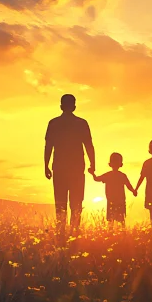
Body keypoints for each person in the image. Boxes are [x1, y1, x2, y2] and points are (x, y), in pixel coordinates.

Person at [44, 94, 95, 237]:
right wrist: (93, 164)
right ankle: (75, 233)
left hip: (59, 168)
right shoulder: (82, 123)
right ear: (74, 106)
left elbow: (48, 146)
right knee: (76, 202)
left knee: (60, 203)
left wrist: (46, 166)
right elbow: (89, 145)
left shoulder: (53, 123)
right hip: (77, 168)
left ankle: (61, 233)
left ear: (61, 106)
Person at [90, 153, 136, 227]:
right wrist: (134, 191)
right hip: (120, 201)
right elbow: (129, 186)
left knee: (111, 221)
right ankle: (122, 234)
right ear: (121, 164)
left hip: (111, 201)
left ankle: (112, 235)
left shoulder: (108, 175)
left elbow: (96, 179)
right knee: (121, 221)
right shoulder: (122, 176)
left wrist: (92, 174)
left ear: (110, 164)